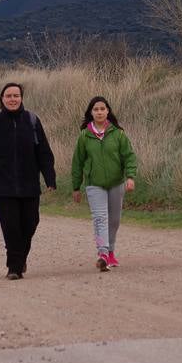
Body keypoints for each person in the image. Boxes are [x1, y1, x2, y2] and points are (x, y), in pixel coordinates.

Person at [0, 82, 56, 280]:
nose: (13, 99)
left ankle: (19, 258)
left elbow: (44, 152)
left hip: (29, 185)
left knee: (30, 224)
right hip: (2, 187)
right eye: (9, 96)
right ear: (2, 99)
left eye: (16, 96)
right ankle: (14, 267)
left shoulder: (32, 121)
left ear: (21, 98)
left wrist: (49, 178)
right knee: (11, 228)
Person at [71, 96, 137, 271]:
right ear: (91, 113)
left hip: (116, 183)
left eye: (102, 109)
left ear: (108, 111)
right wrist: (76, 187)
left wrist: (130, 177)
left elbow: (129, 156)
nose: (99, 112)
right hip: (94, 184)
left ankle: (111, 251)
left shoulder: (118, 134)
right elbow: (77, 162)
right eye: (96, 109)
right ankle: (103, 254)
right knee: (100, 218)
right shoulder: (84, 136)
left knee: (114, 220)